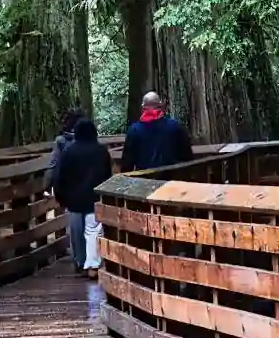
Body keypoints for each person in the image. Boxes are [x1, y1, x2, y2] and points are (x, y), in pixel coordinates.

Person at [52, 117, 113, 276]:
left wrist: (60, 197)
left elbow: (60, 176)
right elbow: (108, 175)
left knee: (76, 232)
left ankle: (80, 261)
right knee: (93, 231)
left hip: (74, 200)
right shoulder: (101, 151)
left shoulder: (69, 151)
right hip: (94, 197)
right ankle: (93, 265)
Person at [121, 91, 192, 172]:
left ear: (143, 107)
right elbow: (187, 156)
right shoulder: (175, 126)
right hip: (172, 179)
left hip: (144, 180)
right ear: (160, 105)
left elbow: (127, 163)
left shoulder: (134, 130)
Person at [45, 106, 82, 192]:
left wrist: (46, 188)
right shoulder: (89, 140)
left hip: (68, 187)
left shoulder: (61, 141)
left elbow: (53, 166)